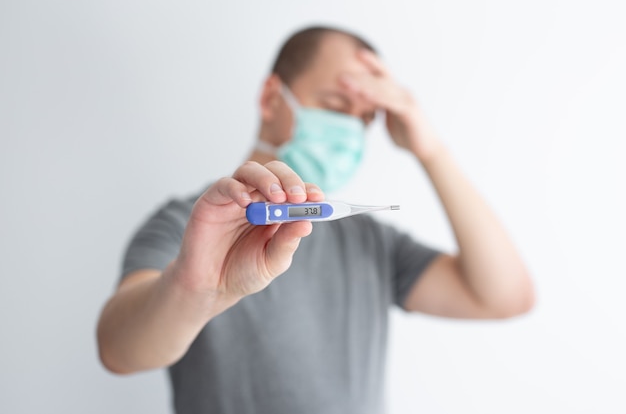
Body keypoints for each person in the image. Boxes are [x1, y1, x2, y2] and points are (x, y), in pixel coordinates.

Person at [97, 26, 534, 414]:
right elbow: (118, 350)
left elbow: (504, 296)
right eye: (336, 104)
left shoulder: (370, 243)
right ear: (272, 98)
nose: (352, 130)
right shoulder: (186, 225)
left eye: (366, 118)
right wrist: (197, 289)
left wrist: (431, 150)